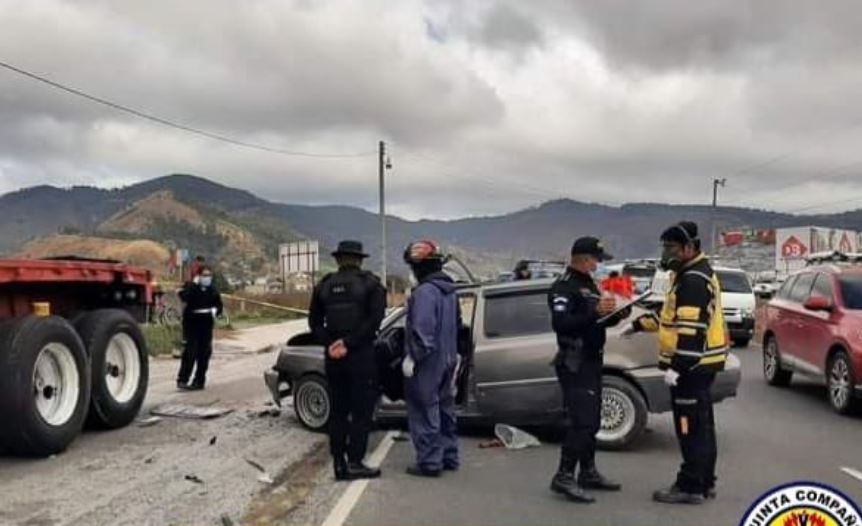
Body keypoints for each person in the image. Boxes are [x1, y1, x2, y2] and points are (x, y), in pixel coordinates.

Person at [627, 221, 728, 504]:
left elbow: (690, 329)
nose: (666, 253)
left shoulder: (693, 279)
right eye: (664, 247)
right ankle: (705, 481)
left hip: (691, 368)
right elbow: (672, 316)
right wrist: (640, 324)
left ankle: (690, 486)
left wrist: (677, 368)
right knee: (703, 426)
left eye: (671, 248)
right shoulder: (691, 273)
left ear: (689, 248)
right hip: (703, 366)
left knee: (688, 428)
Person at [548, 237, 628, 504]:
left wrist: (617, 313)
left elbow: (597, 320)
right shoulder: (564, 287)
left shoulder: (589, 285)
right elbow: (562, 323)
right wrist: (594, 311)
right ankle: (564, 475)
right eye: (596, 259)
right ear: (583, 258)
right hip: (575, 361)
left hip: (592, 360)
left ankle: (588, 472)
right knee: (581, 421)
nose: (599, 263)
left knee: (592, 421)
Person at [309, 240, 386, 481]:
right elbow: (374, 321)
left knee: (339, 411)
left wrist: (331, 344)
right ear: (360, 259)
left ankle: (339, 463)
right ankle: (354, 462)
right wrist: (349, 344)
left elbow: (314, 323)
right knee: (361, 412)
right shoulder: (371, 284)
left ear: (338, 260)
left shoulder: (324, 285)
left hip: (334, 358)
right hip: (360, 355)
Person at [402, 239, 460, 477]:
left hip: (428, 361)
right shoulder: (449, 291)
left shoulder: (425, 292)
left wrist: (413, 358)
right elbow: (457, 325)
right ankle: (448, 456)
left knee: (425, 409)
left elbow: (422, 331)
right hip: (448, 357)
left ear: (419, 266)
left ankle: (429, 462)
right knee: (445, 409)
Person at [176, 265, 223, 391]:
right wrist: (193, 285)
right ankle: (183, 379)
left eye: (209, 275)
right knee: (190, 352)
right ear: (199, 276)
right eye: (204, 275)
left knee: (204, 354)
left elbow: (219, 306)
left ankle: (199, 381)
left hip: (206, 324)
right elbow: (184, 296)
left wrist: (215, 311)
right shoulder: (192, 288)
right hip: (192, 324)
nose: (207, 278)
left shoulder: (213, 290)